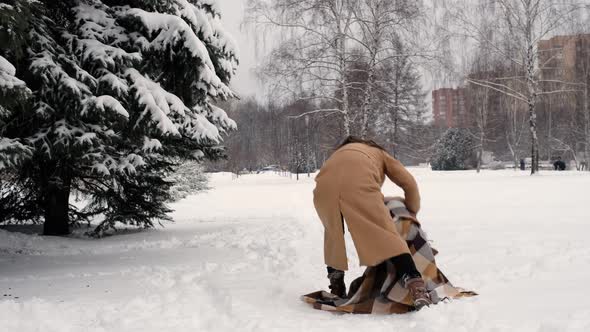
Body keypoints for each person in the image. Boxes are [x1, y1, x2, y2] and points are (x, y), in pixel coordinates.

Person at [312, 136, 431, 310]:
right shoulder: (379, 153)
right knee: (386, 235)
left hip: (323, 190)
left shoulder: (338, 153)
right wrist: (412, 211)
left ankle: (336, 286)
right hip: (358, 185)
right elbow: (409, 183)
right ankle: (416, 286)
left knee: (333, 236)